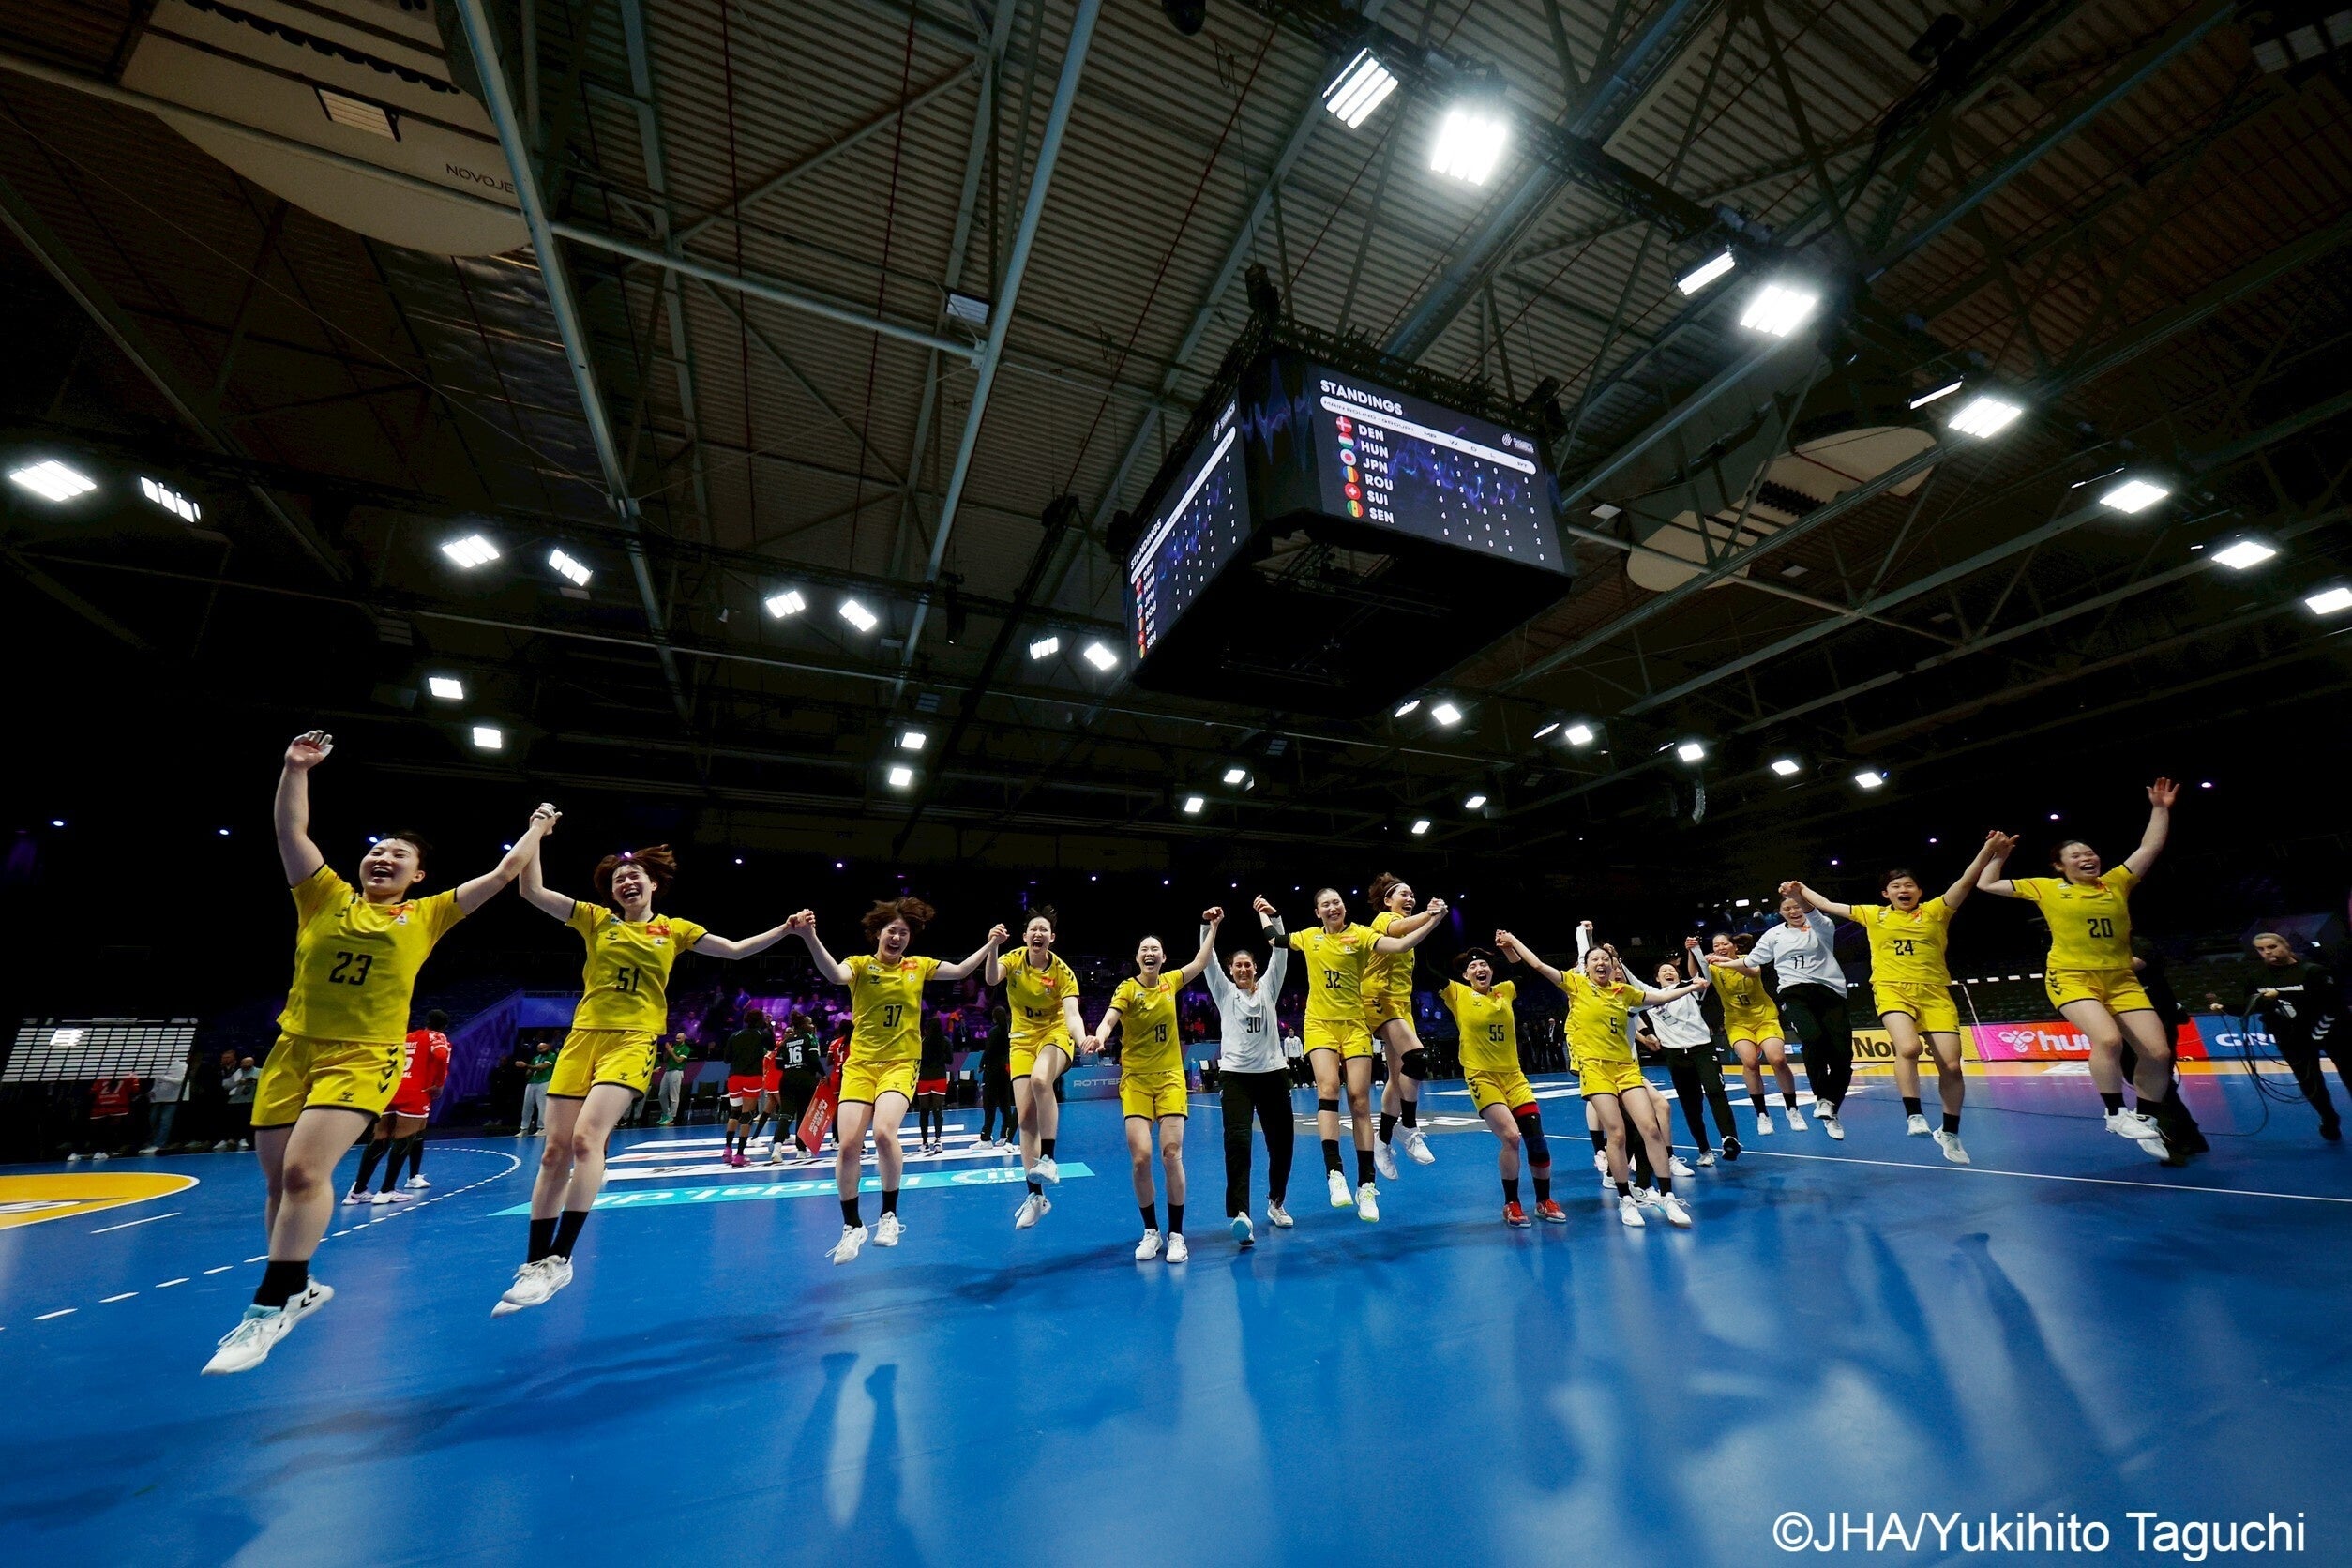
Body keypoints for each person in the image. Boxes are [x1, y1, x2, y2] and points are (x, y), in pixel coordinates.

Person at [203, 730, 557, 1375]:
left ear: (417, 875)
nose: (384, 857)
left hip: (363, 1057)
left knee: (305, 1174)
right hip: (293, 1050)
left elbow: (506, 874)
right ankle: (299, 1285)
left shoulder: (427, 915)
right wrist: (295, 768)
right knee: (280, 1185)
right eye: (378, 850)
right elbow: (289, 830)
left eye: (399, 854)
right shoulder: (323, 896)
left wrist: (537, 827)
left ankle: (268, 1306)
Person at [495, 843, 794, 1314]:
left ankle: (559, 1259)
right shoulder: (595, 919)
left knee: (586, 1140)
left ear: (653, 884)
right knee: (553, 1152)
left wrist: (786, 928)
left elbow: (736, 950)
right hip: (582, 1038)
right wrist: (538, 831)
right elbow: (530, 889)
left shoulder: (674, 930)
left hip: (633, 1040)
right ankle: (534, 1263)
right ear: (612, 892)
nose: (627, 882)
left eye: (635, 875)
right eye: (619, 879)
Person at [788, 899, 1003, 1264]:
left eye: (904, 933)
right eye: (892, 931)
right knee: (848, 1145)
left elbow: (961, 970)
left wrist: (992, 944)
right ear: (878, 933)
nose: (897, 937)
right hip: (861, 1065)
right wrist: (809, 935)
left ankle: (888, 1216)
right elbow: (834, 975)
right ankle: (852, 1226)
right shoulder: (859, 965)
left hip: (901, 1063)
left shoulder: (918, 966)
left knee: (885, 1133)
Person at [1976, 781, 2183, 1159]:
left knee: (2157, 1052)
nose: (2086, 857)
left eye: (2089, 852)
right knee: (2108, 1040)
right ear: (2060, 866)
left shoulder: (2117, 882)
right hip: (2071, 977)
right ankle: (2115, 1114)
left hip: (2121, 979)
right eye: (2076, 855)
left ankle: (2146, 1119)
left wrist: (2160, 809)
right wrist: (1997, 855)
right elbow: (1986, 883)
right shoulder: (2045, 887)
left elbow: (2149, 847)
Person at [1787, 831, 2007, 1166]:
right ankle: (1914, 1114)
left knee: (1951, 1066)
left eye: (1909, 886)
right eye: (1896, 886)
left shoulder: (1937, 911)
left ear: (1919, 891)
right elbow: (1829, 906)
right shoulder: (1874, 914)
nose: (1903, 890)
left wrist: (1989, 850)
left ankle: (1949, 1132)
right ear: (1885, 893)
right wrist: (1800, 890)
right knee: (1909, 1047)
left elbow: (1966, 880)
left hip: (1934, 993)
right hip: (1892, 989)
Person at [1499, 928, 1706, 1229]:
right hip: (1595, 1069)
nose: (1601, 962)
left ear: (1612, 965)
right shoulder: (1577, 985)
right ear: (1586, 966)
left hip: (1625, 1068)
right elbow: (1539, 965)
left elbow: (1660, 996)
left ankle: (1667, 1197)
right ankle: (1626, 1199)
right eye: (1594, 959)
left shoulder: (1624, 992)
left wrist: (1691, 987)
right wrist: (1514, 941)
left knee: (1651, 1128)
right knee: (1617, 1134)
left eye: (1605, 959)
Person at [1265, 886, 1447, 1221]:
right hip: (1320, 1024)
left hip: (1355, 1025)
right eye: (1325, 904)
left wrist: (1433, 921)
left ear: (1344, 907)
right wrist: (1267, 914)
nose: (1332, 907)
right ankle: (1335, 1174)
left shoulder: (1362, 934)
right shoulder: (1308, 937)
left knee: (1360, 1101)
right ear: (1317, 912)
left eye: (1336, 902)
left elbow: (1400, 944)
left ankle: (1366, 1185)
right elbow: (1274, 939)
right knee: (1328, 1089)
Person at [1093, 913, 1223, 1261]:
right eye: (1144, 949)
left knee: (1171, 1154)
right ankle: (1151, 1231)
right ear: (1137, 958)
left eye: (1155, 949)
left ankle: (1176, 1234)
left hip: (1170, 1079)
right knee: (1141, 1158)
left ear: (1163, 958)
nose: (1149, 953)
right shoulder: (1127, 988)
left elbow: (1200, 962)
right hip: (1136, 1080)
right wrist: (1100, 1037)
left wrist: (1212, 929)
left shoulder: (1171, 981)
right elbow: (1109, 1019)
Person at [1440, 946, 1565, 1226]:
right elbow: (1427, 973)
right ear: (1465, 975)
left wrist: (1508, 948)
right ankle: (1511, 1203)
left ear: (1492, 971)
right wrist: (1424, 927)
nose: (1480, 969)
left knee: (1537, 1140)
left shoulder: (1504, 991)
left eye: (1484, 965)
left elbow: (1524, 974)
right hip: (1482, 1076)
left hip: (1514, 1077)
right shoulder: (1457, 993)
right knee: (1511, 1136)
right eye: (1473, 967)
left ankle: (1544, 1201)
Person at [986, 909, 1088, 1229]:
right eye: (1033, 929)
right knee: (1026, 1119)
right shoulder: (1014, 959)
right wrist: (993, 947)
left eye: (1044, 930)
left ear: (1051, 938)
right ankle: (1036, 1197)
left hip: (1055, 1035)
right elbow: (991, 978)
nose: (1038, 934)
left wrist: (1082, 1039)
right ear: (1025, 936)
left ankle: (1050, 1159)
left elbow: (1072, 1014)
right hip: (1021, 1041)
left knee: (1042, 1080)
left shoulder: (1062, 972)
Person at [1200, 902, 1292, 1245]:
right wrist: (1209, 926)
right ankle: (1241, 1214)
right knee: (1238, 1143)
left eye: (1248, 964)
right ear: (1230, 969)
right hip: (1236, 1077)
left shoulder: (1269, 987)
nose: (1243, 969)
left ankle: (1276, 1202)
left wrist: (1274, 917)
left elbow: (1281, 953)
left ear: (1256, 968)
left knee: (1281, 1144)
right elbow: (1207, 960)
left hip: (1273, 1074)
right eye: (1237, 965)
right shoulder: (1224, 992)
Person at [1749, 890, 1855, 1138]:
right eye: (1787, 908)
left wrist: (1800, 894)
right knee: (1812, 1038)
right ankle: (1822, 1099)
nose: (1793, 911)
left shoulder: (1822, 925)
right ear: (1780, 912)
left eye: (1797, 906)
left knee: (1843, 1058)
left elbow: (1816, 913)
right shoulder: (1773, 935)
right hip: (1794, 993)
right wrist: (1722, 962)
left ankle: (1831, 1109)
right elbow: (1750, 961)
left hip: (1830, 993)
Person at [1364, 873, 1444, 1178]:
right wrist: (1430, 914)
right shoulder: (1384, 920)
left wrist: (1432, 919)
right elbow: (1400, 928)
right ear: (1388, 901)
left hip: (1401, 1004)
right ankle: (1408, 1126)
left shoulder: (1409, 933)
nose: (1410, 899)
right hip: (1377, 998)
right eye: (1403, 894)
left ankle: (1382, 1140)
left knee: (1398, 1079)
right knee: (1418, 1058)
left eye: (1412, 895)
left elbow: (1412, 932)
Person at [1689, 932, 1805, 1137]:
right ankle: (1762, 1114)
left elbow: (1753, 972)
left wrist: (1725, 962)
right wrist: (1692, 952)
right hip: (1737, 1022)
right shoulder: (1713, 967)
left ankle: (1792, 1109)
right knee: (1750, 1062)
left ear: (1734, 946)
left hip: (1765, 1018)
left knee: (1777, 1059)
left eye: (1725, 944)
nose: (1720, 948)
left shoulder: (1748, 959)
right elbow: (1695, 976)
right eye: (1716, 946)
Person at [2237, 932, 2347, 1139]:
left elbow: (2333, 1002)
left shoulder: (2314, 971)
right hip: (2290, 1037)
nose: (2267, 952)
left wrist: (2283, 995)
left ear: (2285, 945)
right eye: (2261, 949)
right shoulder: (2255, 977)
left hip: (2332, 1032)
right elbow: (2252, 1005)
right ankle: (2328, 1119)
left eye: (2272, 947)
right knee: (2309, 1082)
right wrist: (2225, 1008)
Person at [1637, 959, 1739, 1166]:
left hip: (1702, 1049)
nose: (1669, 972)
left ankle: (1729, 1138)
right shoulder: (1651, 997)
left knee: (1715, 1090)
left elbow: (1703, 975)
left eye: (1672, 970)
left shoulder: (1690, 990)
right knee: (1691, 1106)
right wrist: (1647, 1033)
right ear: (1657, 979)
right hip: (1675, 1055)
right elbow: (1631, 1000)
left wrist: (1694, 951)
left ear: (1678, 975)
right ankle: (1704, 1150)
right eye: (1664, 971)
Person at [345, 1008, 451, 1203]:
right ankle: (387, 1190)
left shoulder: (407, 1037)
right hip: (415, 1092)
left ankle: (357, 1191)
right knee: (405, 1138)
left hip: (391, 1089)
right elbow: (440, 1055)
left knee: (380, 1138)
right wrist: (439, 1084)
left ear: (426, 1021)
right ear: (444, 1026)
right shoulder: (437, 1037)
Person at [720, 1011, 774, 1167]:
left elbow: (726, 1059)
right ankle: (739, 1155)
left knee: (734, 1112)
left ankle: (727, 1149)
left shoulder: (735, 1035)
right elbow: (772, 1046)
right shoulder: (761, 1034)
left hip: (734, 1077)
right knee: (747, 1115)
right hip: (752, 1077)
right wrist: (769, 1028)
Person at [978, 1004, 1017, 1148]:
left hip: (992, 1071)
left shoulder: (994, 1032)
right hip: (1005, 1071)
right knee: (1005, 1105)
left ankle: (986, 1138)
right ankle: (1005, 1137)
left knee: (989, 1105)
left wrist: (981, 1065)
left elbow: (988, 1051)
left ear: (994, 1017)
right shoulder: (1009, 1031)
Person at [139, 1049, 192, 1154]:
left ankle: (159, 1144)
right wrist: (152, 1091)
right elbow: (157, 1082)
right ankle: (152, 1142)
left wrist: (165, 1078)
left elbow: (182, 1080)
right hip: (158, 1097)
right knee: (152, 1119)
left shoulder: (181, 1066)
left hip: (173, 1098)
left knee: (165, 1121)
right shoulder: (159, 1066)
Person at [914, 1012, 951, 1155]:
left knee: (924, 1111)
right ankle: (938, 1140)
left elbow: (918, 1060)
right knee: (938, 1110)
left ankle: (924, 1142)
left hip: (924, 1078)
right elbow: (950, 1061)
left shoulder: (922, 1042)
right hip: (939, 1078)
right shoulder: (945, 1041)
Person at [519, 1041, 555, 1137]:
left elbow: (542, 1067)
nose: (542, 1050)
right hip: (532, 1082)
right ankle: (524, 1129)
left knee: (542, 1105)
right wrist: (529, 1070)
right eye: (540, 1048)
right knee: (527, 1106)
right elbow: (529, 1073)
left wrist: (526, 1065)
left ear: (548, 1047)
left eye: (544, 1048)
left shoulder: (552, 1056)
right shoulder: (535, 1058)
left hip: (544, 1082)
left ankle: (542, 1128)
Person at [656, 1033, 692, 1126]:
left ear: (683, 1038)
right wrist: (667, 1051)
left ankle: (672, 1117)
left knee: (674, 1096)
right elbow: (665, 1059)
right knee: (661, 1094)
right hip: (668, 1071)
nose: (677, 1040)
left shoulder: (685, 1048)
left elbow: (679, 1060)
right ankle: (666, 1114)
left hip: (677, 1071)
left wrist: (671, 1052)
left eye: (679, 1038)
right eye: (676, 1038)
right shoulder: (674, 1047)